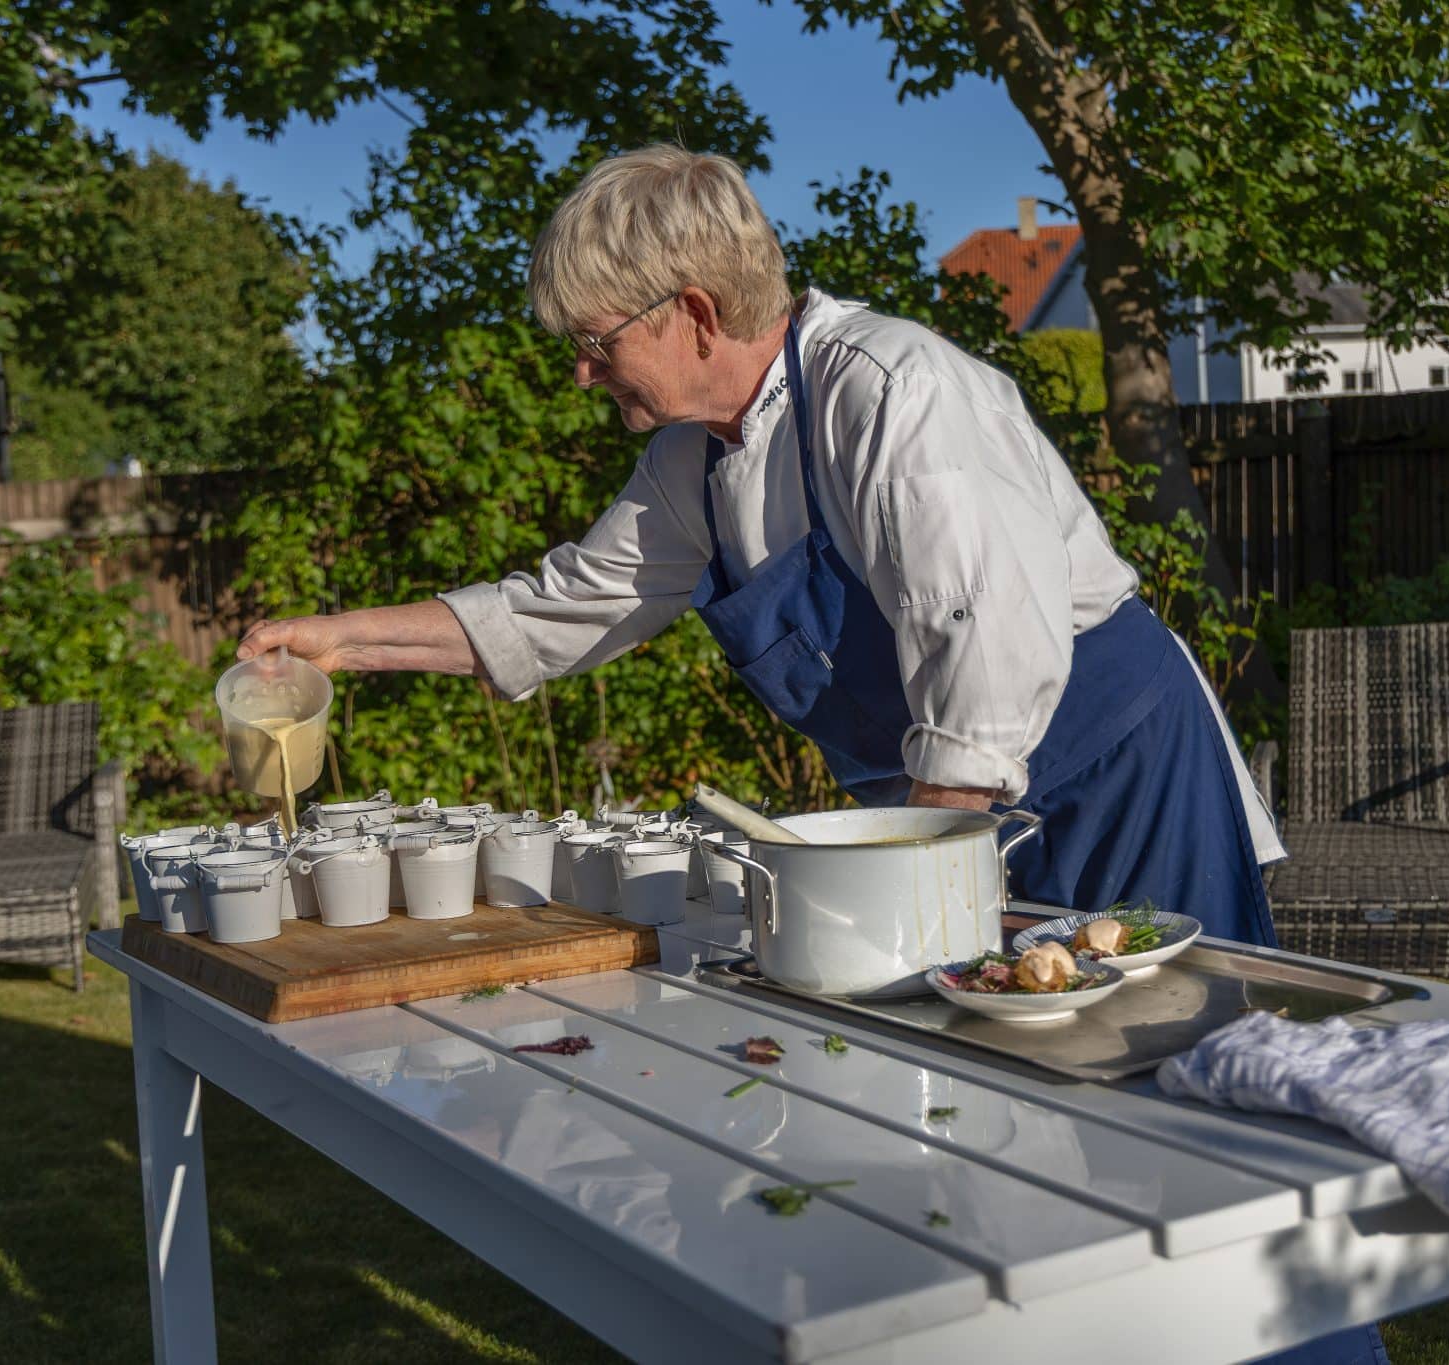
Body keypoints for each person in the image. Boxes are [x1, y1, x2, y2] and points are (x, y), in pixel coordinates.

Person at [242, 144, 1384, 1364]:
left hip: (1118, 784)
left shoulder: (893, 391)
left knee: (1209, 1135)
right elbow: (558, 609)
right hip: (961, 831)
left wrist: (924, 896)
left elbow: (980, 651)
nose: (578, 371)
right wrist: (337, 642)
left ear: (687, 313)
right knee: (1030, 1163)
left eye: (591, 339)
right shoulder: (694, 462)